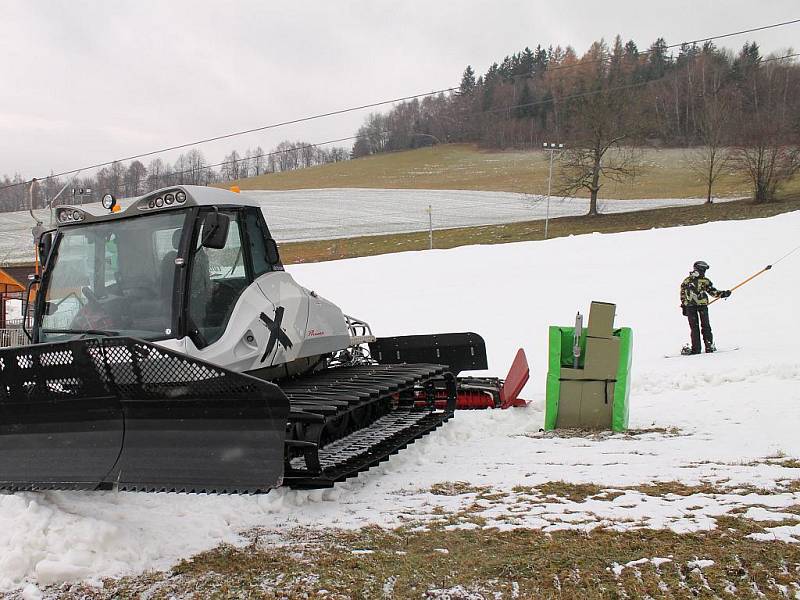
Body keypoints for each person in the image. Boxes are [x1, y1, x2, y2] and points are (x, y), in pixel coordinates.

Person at [680, 260, 731, 354]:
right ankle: (696, 349)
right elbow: (683, 294)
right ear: (697, 269)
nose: (704, 272)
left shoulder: (705, 281)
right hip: (690, 307)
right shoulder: (688, 281)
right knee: (694, 328)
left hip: (702, 306)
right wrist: (683, 306)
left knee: (706, 326)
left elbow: (712, 291)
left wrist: (723, 294)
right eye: (703, 270)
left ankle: (709, 346)